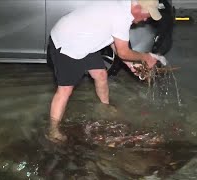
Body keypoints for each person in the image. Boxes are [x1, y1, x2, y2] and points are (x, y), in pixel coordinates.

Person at [47, 0, 162, 142]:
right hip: (67, 42)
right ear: (137, 7)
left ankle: (105, 107)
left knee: (101, 74)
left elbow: (115, 41)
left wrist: (131, 64)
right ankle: (53, 130)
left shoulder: (123, 8)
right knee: (65, 90)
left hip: (85, 40)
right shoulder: (122, 15)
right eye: (147, 15)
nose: (146, 19)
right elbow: (123, 52)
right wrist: (146, 58)